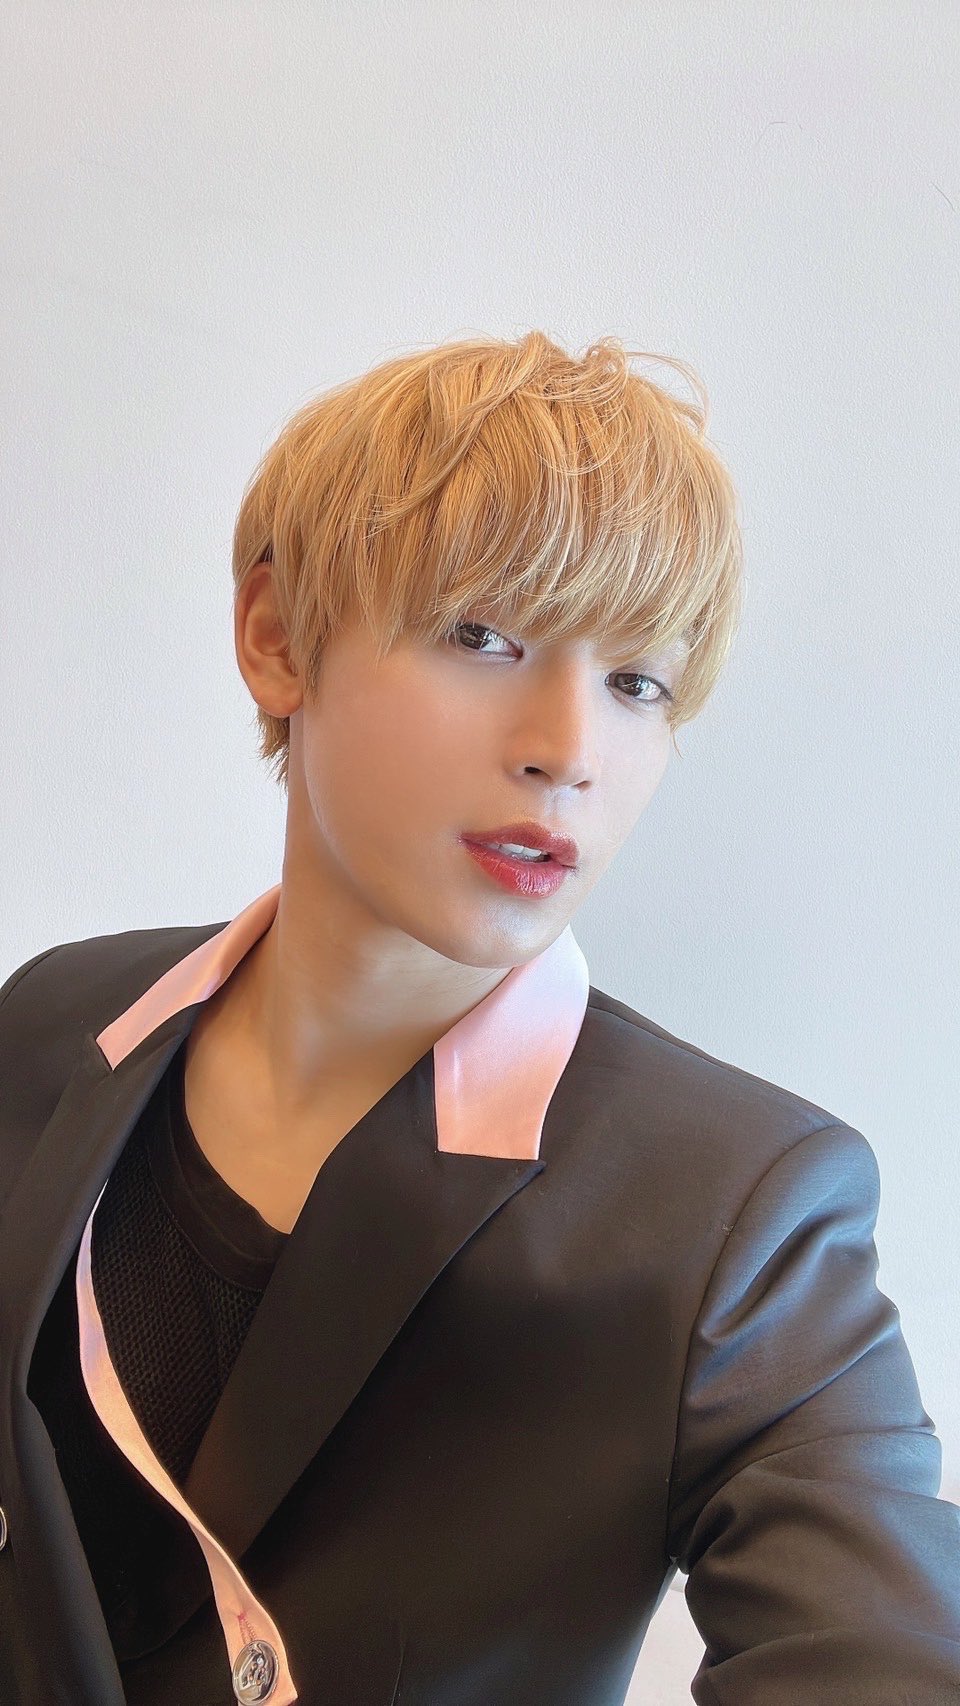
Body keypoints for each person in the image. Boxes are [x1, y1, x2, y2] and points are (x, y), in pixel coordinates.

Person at [0, 330, 957, 1706]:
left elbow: (888, 1650)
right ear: (278, 637)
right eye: (484, 636)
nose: (567, 750)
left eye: (637, 681)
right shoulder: (57, 1019)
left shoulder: (736, 1213)